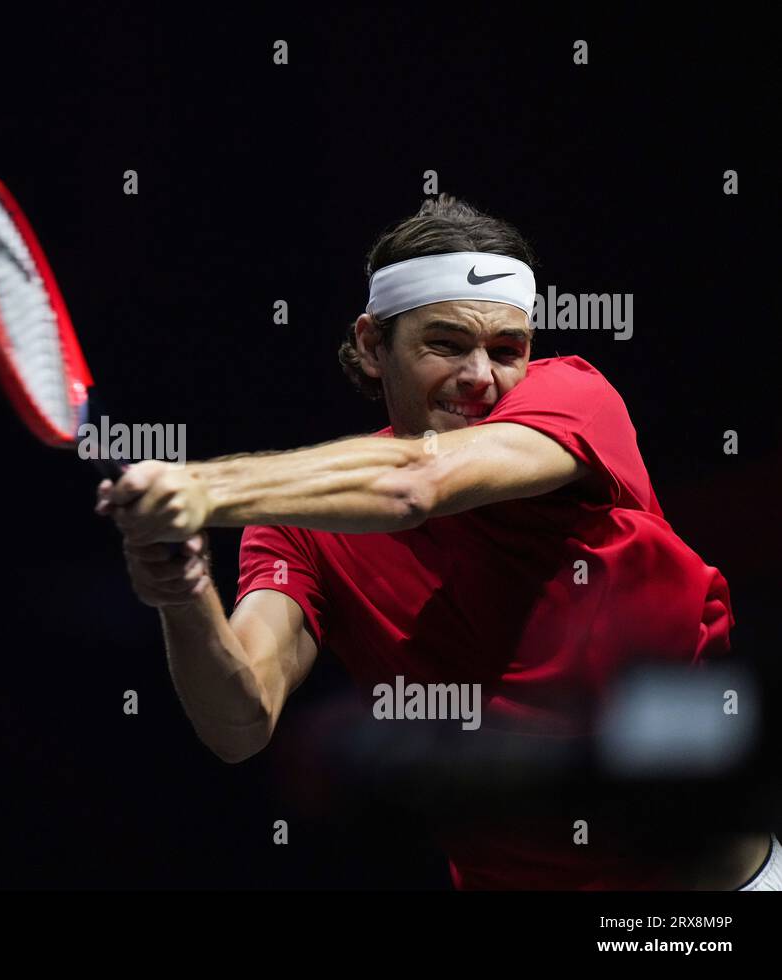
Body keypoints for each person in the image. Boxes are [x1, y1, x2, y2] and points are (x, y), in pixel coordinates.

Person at [95, 194, 776, 890]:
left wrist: (205, 489)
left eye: (506, 350)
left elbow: (417, 483)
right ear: (370, 344)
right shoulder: (301, 524)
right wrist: (183, 594)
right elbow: (238, 726)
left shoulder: (574, 398)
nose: (481, 376)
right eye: (446, 344)